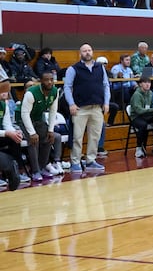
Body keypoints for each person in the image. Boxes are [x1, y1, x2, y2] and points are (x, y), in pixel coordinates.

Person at [63, 43, 110, 173]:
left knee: (95, 136)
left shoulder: (100, 68)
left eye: (89, 50)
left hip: (97, 107)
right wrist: (71, 104)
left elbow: (106, 86)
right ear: (80, 54)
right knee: (77, 137)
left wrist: (106, 103)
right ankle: (75, 162)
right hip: (80, 108)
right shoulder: (73, 69)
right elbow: (67, 87)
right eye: (84, 51)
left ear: (92, 52)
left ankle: (90, 160)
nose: (87, 53)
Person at [19, 71, 60, 181]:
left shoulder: (55, 92)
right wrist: (32, 133)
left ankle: (42, 167)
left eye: (51, 79)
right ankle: (35, 171)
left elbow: (53, 111)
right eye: (46, 80)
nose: (50, 82)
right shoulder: (31, 93)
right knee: (33, 141)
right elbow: (24, 114)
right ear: (41, 81)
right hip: (23, 119)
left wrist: (51, 130)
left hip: (38, 119)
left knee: (48, 138)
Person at [129, 76, 153, 158]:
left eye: (149, 83)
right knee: (143, 125)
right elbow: (139, 111)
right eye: (145, 83)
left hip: (147, 115)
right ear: (140, 84)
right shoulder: (137, 95)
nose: (147, 85)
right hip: (136, 117)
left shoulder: (150, 93)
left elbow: (152, 106)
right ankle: (139, 147)